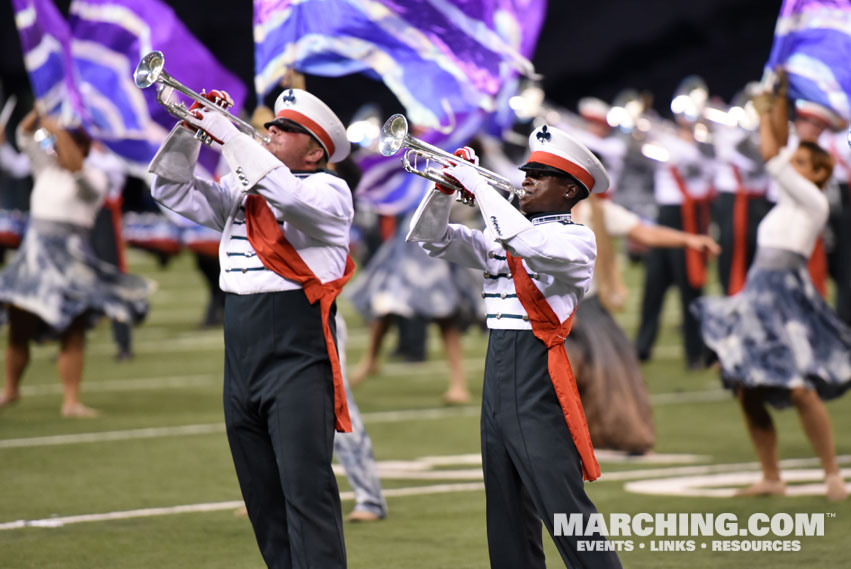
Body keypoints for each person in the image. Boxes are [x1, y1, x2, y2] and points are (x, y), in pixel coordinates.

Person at [149, 87, 353, 567]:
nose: (270, 132)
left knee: (307, 493)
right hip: (241, 347)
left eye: (286, 130)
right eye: (271, 126)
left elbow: (285, 193)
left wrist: (225, 133)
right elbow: (169, 188)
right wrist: (190, 128)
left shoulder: (328, 191)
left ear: (315, 150)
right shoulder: (246, 187)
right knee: (263, 500)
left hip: (296, 352)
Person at [407, 125, 622, 568]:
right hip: (498, 369)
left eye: (538, 176)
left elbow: (525, 244)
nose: (525, 180)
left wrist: (481, 187)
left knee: (563, 509)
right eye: (527, 172)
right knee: (505, 510)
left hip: (537, 372)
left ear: (568, 191)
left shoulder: (575, 238)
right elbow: (430, 238)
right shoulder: (504, 232)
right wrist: (444, 189)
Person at [692, 74, 851, 502]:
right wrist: (778, 98)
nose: (791, 167)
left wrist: (764, 110)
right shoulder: (789, 198)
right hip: (759, 291)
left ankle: (832, 475)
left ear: (819, 173)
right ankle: (771, 476)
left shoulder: (815, 201)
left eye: (802, 164)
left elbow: (770, 152)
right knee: (746, 385)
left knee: (799, 387)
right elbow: (779, 146)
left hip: (783, 295)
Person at [0, 110, 151, 416]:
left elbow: (76, 168)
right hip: (35, 254)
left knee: (73, 329)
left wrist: (60, 133)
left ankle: (71, 401)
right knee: (20, 326)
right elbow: (25, 135)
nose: (55, 146)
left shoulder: (95, 177)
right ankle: (10, 389)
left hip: (71, 258)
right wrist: (44, 109)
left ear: (80, 146)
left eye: (64, 142)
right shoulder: (46, 168)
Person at [569, 195, 720, 454]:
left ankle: (603, 435)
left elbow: (644, 233)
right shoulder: (535, 213)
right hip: (546, 307)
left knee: (613, 376)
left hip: (588, 307)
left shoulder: (598, 212)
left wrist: (688, 240)